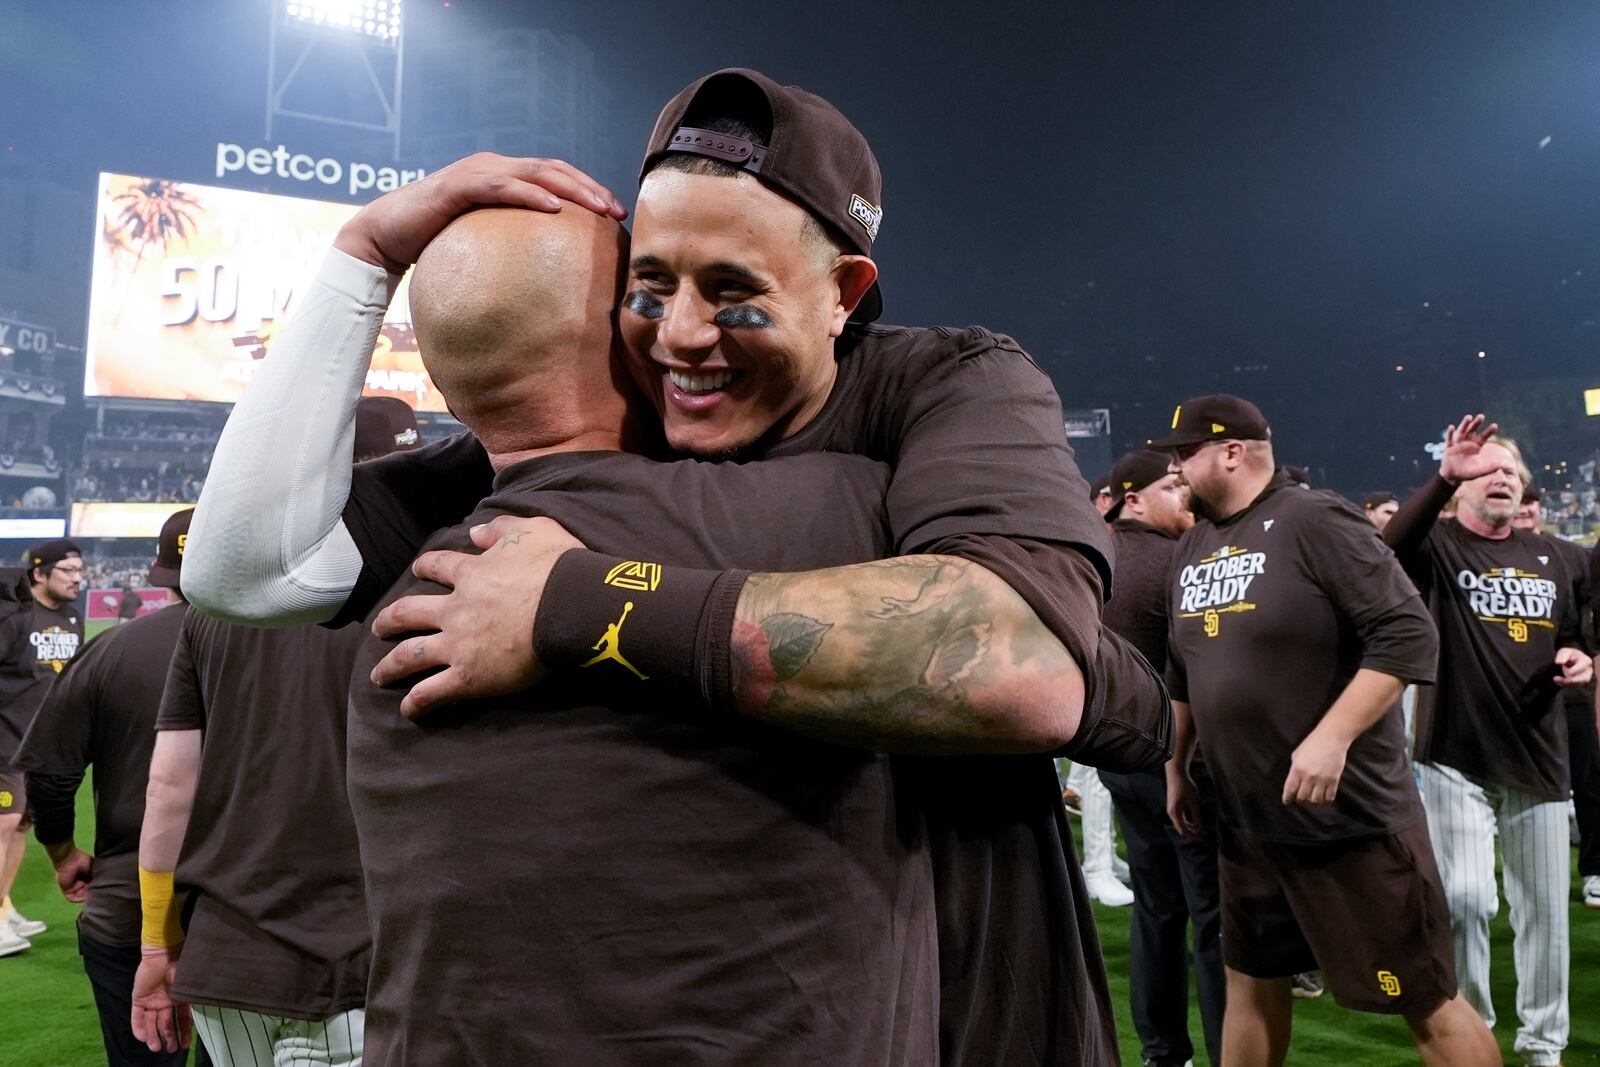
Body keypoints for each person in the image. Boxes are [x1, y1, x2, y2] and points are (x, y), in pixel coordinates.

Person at [182, 68, 1172, 1065]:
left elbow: (1023, 665)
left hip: (975, 976)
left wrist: (575, 599)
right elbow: (245, 571)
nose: (682, 335)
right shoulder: (636, 404)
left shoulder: (943, 387)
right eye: (647, 285)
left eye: (733, 291)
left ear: (843, 294)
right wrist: (362, 253)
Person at [1158, 395, 1498, 1067]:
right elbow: (1182, 671)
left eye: (1183, 454)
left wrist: (1332, 735)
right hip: (1249, 823)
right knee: (1249, 986)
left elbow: (1406, 632)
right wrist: (1177, 763)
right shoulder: (1194, 544)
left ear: (1232, 452)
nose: (1173, 470)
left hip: (1349, 824)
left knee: (1425, 1001)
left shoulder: (1315, 518)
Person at [131, 398, 420, 1067]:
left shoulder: (216, 599)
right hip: (376, 948)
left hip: (231, 956)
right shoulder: (424, 584)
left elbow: (169, 784)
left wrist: (155, 940)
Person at [1385, 417, 1592, 1067]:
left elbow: (1582, 633)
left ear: (1526, 489)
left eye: (1510, 471)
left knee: (1546, 917)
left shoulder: (1562, 557)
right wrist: (1445, 473)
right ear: (1464, 487)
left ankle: (1543, 1045)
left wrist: (1583, 655)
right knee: (1469, 899)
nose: (1499, 477)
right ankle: (1474, 1030)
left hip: (1538, 756)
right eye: (1486, 470)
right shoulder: (1439, 546)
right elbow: (1390, 546)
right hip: (1454, 753)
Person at [14, 510, 208, 1067]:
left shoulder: (112, 649)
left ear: (160, 572)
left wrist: (61, 851)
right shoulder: (285, 646)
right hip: (252, 906)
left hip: (128, 897)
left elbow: (50, 775)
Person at [1096, 448, 1223, 1067]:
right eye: (1172, 487)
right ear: (1134, 499)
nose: (1187, 496)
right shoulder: (1181, 560)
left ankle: (1162, 1051)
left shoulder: (1098, 562)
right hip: (1185, 765)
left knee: (1157, 910)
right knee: (1215, 920)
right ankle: (1232, 1051)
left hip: (1120, 760)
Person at [1512, 485, 1600, 911]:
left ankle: (1596, 869)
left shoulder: (1572, 554)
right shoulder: (1478, 555)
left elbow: (1590, 616)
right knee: (1513, 782)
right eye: (1521, 501)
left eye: (1533, 502)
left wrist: (1587, 657)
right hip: (1513, 692)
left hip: (1573, 687)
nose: (1526, 509)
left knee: (1589, 778)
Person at [0, 537, 85, 957]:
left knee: (20, 825)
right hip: (5, 741)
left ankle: (4, 906)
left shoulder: (72, 619)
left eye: (80, 571)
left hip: (42, 746)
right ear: (39, 573)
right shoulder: (13, 618)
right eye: (68, 571)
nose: (78, 579)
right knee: (3, 822)